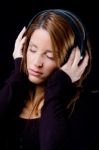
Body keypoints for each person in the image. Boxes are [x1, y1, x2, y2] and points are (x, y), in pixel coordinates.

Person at [0, 9, 98, 150]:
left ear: (74, 59)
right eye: (32, 50)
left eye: (50, 56)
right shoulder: (11, 90)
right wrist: (18, 74)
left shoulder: (87, 107)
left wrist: (56, 88)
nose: (37, 62)